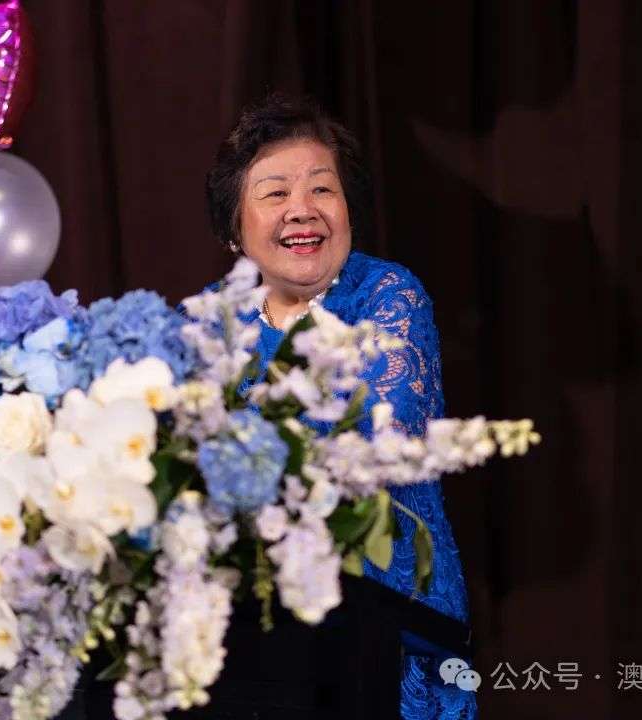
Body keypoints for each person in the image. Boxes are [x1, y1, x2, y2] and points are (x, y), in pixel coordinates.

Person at [201, 93, 477, 719]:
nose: (302, 209)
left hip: (389, 628)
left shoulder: (387, 294)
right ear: (233, 227)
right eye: (275, 193)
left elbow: (382, 439)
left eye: (322, 190)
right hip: (256, 643)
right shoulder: (211, 319)